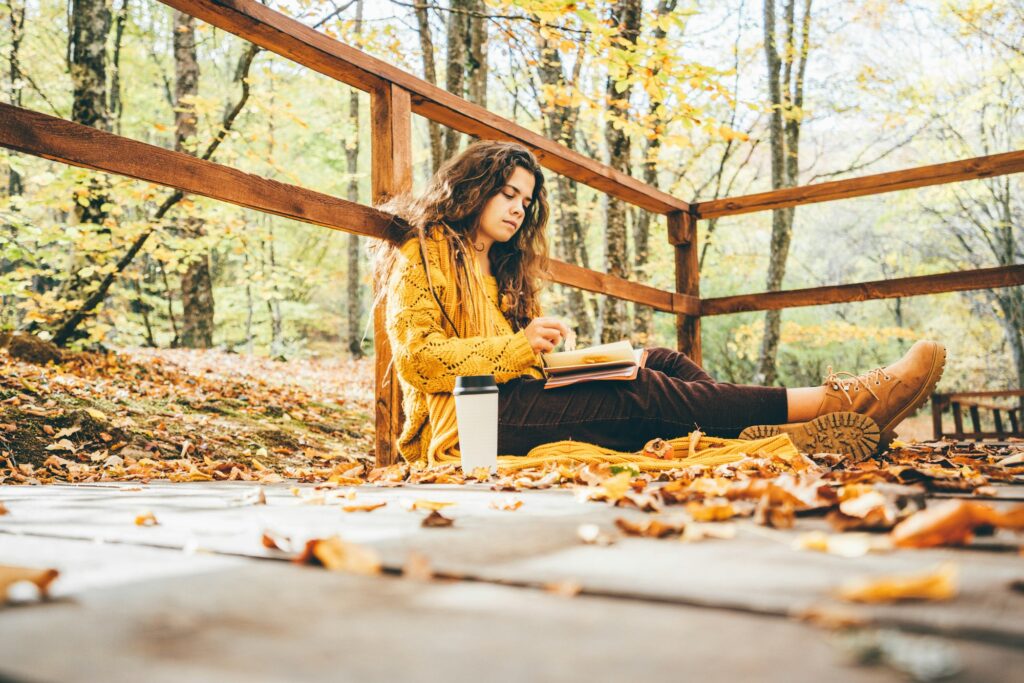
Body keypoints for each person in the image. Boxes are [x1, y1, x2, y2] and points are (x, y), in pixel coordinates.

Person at [372, 141, 946, 465]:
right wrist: (517, 348)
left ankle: (745, 430)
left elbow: (517, 356)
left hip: (519, 397)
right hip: (470, 424)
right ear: (473, 189)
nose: (519, 207)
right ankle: (833, 402)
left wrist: (543, 349)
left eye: (527, 199)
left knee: (661, 362)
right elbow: (418, 362)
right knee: (641, 390)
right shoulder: (423, 254)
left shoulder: (501, 268)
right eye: (508, 193)